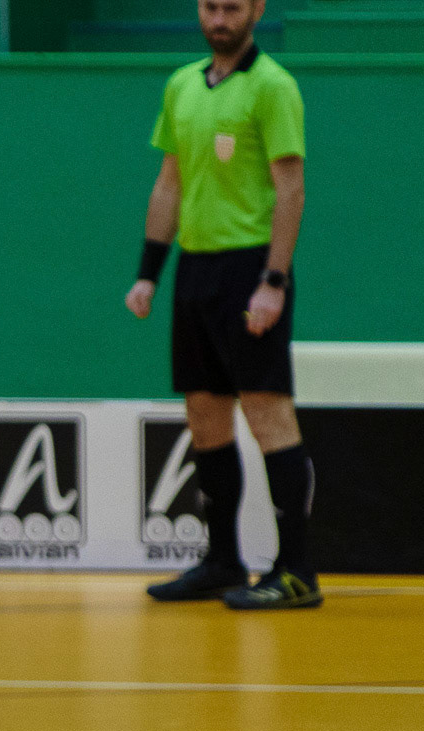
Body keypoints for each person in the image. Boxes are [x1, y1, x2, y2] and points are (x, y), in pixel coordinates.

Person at [126, 0, 321, 609]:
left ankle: (296, 572)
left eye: (232, 7)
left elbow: (291, 187)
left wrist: (274, 280)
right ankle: (221, 561)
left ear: (256, 10)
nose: (219, 18)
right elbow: (170, 183)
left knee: (267, 413)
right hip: (196, 269)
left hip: (249, 268)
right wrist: (149, 274)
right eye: (210, 6)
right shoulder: (181, 84)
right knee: (205, 415)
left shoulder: (273, 86)